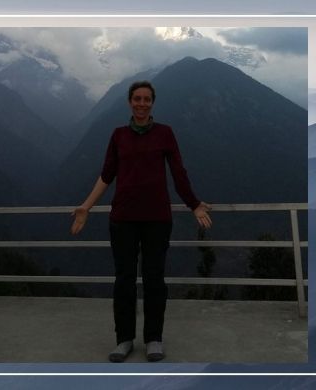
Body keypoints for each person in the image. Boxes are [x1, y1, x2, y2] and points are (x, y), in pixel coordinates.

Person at [70, 80, 212, 363]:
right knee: (123, 280)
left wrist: (194, 204)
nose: (142, 104)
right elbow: (107, 175)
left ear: (153, 103)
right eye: (137, 99)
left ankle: (153, 339)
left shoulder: (165, 134)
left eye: (147, 99)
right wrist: (86, 206)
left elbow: (178, 173)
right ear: (129, 102)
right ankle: (123, 340)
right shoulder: (118, 136)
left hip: (157, 219)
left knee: (154, 280)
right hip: (122, 218)